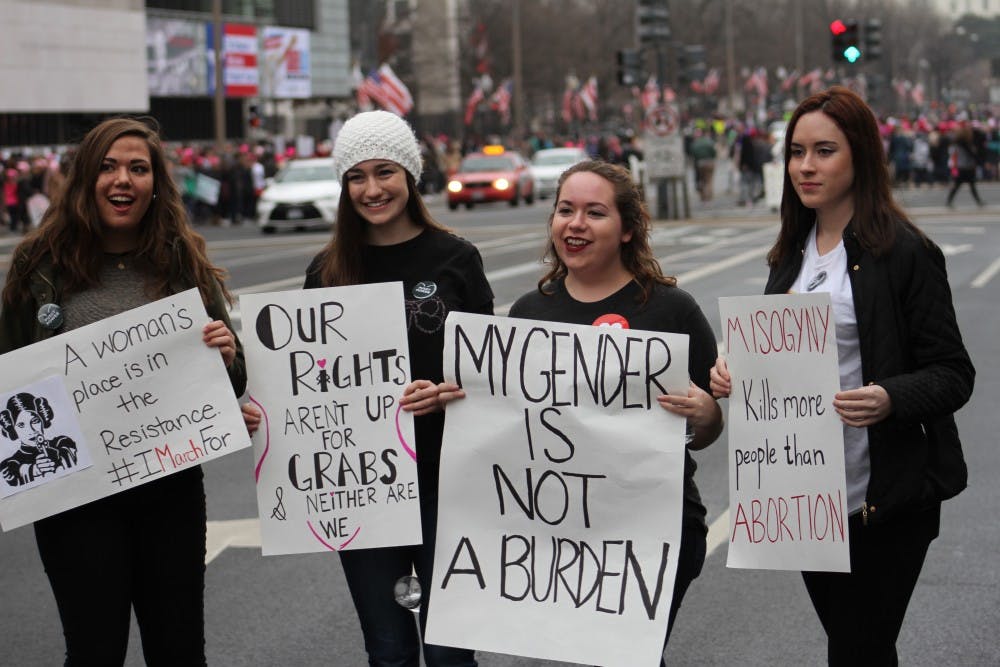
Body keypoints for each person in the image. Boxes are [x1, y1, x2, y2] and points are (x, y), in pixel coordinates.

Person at [709, 87, 975, 665]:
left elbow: (954, 373)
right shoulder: (791, 254)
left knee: (857, 651)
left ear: (860, 156)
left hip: (883, 502)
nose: (806, 165)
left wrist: (889, 397)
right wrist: (736, 368)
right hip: (807, 502)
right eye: (797, 151)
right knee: (857, 650)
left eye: (824, 150)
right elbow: (782, 355)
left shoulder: (905, 253)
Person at [440, 159, 723, 661]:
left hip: (654, 529)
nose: (575, 224)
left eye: (595, 213)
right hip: (562, 534)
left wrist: (704, 415)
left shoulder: (670, 310)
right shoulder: (530, 312)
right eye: (565, 210)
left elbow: (702, 432)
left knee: (628, 656)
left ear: (628, 229)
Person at [0, 116, 246, 666]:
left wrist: (227, 356)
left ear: (155, 182)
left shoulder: (182, 262)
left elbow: (232, 385)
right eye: (108, 167)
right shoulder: (38, 266)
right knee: (93, 652)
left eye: (138, 168)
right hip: (76, 501)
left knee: (179, 651)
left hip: (170, 493)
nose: (123, 180)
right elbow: (8, 380)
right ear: (86, 178)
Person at [252, 109, 492, 666]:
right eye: (356, 176)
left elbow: (490, 375)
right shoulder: (326, 271)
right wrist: (266, 412)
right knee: (387, 650)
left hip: (445, 479)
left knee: (452, 651)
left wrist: (449, 390)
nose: (371, 188)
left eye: (385, 172)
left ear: (410, 175)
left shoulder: (456, 258)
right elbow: (302, 380)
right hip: (363, 489)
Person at [0, 392, 79, 487]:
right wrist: (34, 470)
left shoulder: (63, 443)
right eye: (21, 425)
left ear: (43, 419)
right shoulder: (11, 465)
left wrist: (57, 456)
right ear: (13, 429)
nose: (31, 430)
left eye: (35, 421)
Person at [945, 121, 986, 207]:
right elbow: (972, 154)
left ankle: (949, 201)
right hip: (966, 167)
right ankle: (978, 202)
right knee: (968, 185)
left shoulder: (957, 142)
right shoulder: (965, 144)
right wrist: (978, 160)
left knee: (960, 185)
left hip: (962, 166)